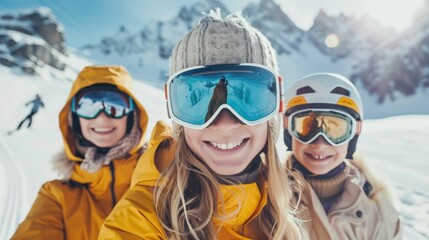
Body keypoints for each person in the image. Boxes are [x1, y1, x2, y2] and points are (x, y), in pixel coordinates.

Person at [99, 10, 308, 239]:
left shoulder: (281, 217)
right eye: (197, 102)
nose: (225, 124)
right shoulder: (141, 219)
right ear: (176, 116)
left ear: (275, 106)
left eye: (249, 98)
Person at [11, 65, 149, 240]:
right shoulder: (56, 197)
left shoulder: (160, 177)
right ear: (74, 119)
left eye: (116, 105)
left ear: (132, 116)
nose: (102, 117)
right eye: (88, 106)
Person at [283, 73, 403, 239]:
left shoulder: (380, 213)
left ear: (354, 133)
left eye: (335, 129)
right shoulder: (269, 200)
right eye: (306, 127)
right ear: (288, 130)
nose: (320, 144)